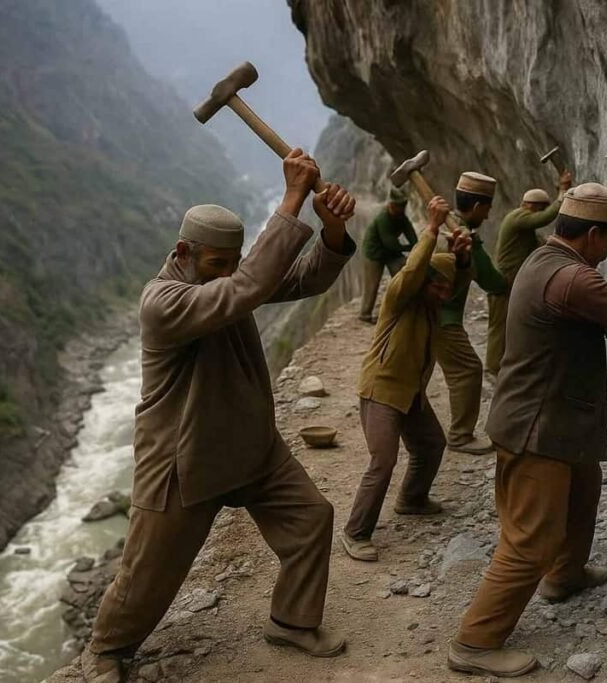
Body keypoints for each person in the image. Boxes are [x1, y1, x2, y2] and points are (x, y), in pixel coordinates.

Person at [80, 150, 357, 683]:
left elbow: (299, 280)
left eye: (232, 265)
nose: (226, 275)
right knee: (148, 570)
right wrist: (294, 197)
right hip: (184, 459)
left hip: (251, 443)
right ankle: (106, 651)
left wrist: (333, 234)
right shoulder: (163, 303)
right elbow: (247, 287)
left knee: (310, 520)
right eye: (216, 266)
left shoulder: (227, 277)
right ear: (184, 252)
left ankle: (293, 622)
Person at [447, 183, 607, 678]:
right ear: (593, 233)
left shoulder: (549, 264)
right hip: (535, 427)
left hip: (556, 419)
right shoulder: (567, 279)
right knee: (530, 537)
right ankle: (474, 642)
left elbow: (606, 318)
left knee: (584, 489)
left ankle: (565, 575)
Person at [341, 196, 473, 562]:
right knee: (382, 461)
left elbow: (456, 283)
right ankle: (355, 532)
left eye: (446, 289)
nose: (445, 294)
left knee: (431, 444)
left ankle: (412, 499)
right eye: (438, 287)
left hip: (410, 392)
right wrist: (431, 230)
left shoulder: (433, 303)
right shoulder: (401, 297)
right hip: (381, 389)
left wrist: (461, 258)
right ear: (424, 284)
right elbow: (414, 271)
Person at [436, 172, 508, 455]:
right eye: (488, 208)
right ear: (478, 207)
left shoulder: (443, 227)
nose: (489, 216)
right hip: (443, 320)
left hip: (427, 316)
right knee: (468, 371)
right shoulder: (463, 238)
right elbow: (492, 282)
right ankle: (460, 436)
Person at [486, 170, 573, 378]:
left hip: (513, 282)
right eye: (539, 209)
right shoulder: (517, 218)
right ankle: (493, 367)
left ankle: (505, 364)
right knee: (500, 324)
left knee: (509, 323)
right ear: (533, 207)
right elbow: (545, 218)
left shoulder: (522, 226)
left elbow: (541, 243)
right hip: (505, 282)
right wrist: (563, 191)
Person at [359, 187, 418, 323]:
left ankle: (402, 308)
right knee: (372, 285)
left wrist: (416, 245)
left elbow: (410, 234)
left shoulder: (401, 217)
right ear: (391, 205)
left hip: (390, 253)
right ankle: (365, 314)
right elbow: (390, 243)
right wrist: (409, 247)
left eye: (403, 206)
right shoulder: (383, 219)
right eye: (399, 206)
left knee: (402, 275)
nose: (402, 209)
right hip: (374, 253)